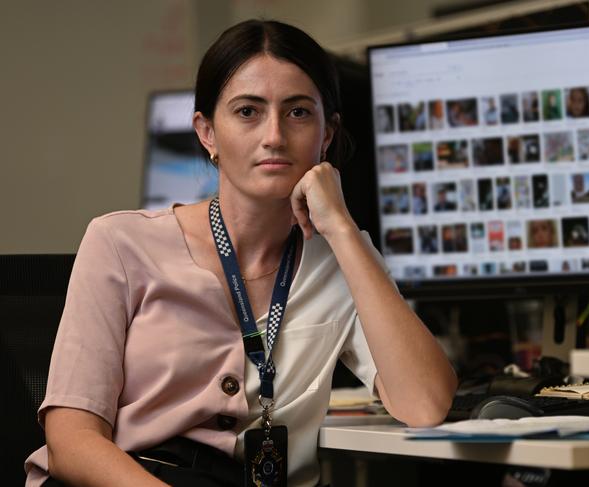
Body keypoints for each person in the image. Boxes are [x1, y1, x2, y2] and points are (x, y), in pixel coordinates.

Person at [25, 19, 457, 487]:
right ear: (207, 132)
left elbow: (425, 404)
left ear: (326, 133)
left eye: (297, 113)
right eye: (248, 112)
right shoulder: (120, 243)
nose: (273, 135)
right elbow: (70, 439)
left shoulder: (341, 258)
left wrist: (343, 228)